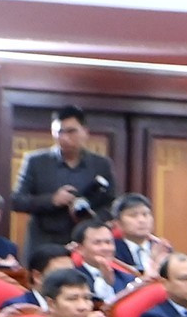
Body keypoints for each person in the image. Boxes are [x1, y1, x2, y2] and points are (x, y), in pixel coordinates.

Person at [11, 105, 116, 255]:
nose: (65, 138)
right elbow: (16, 201)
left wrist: (92, 217)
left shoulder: (101, 164)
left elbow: (112, 204)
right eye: (59, 132)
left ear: (85, 132)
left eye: (71, 131)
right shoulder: (36, 161)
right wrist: (52, 200)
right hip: (45, 242)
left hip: (86, 244)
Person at [69, 218, 136, 305]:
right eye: (97, 243)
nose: (105, 248)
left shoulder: (127, 278)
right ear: (80, 248)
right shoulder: (73, 279)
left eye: (108, 242)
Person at [110, 193, 166, 276]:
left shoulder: (162, 248)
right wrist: (152, 262)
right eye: (133, 215)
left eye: (145, 214)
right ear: (118, 223)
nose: (141, 220)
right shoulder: (112, 250)